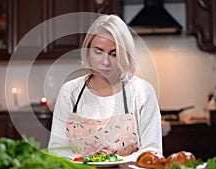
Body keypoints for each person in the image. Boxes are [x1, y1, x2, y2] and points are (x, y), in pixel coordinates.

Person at [48, 14, 162, 159]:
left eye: (114, 54)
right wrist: (87, 162)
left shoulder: (142, 92)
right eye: (98, 52)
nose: (105, 62)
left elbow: (152, 152)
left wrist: (111, 160)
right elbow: (57, 150)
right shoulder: (69, 92)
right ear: (87, 50)